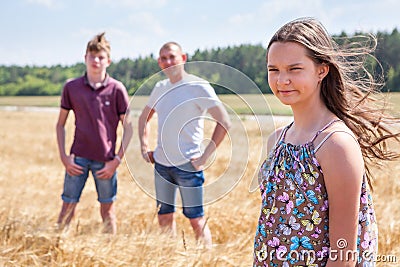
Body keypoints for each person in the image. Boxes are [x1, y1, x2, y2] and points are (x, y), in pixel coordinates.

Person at [253, 18, 400, 266]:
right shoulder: (276, 141)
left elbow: (344, 253)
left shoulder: (335, 144)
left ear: (322, 70)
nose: (282, 80)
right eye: (273, 69)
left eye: (294, 69)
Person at [138, 42, 231, 248]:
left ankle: (207, 261)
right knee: (164, 218)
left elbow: (224, 122)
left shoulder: (198, 86)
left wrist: (204, 157)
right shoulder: (159, 88)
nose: (168, 62)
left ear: (183, 58)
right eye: (163, 58)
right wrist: (144, 148)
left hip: (188, 166)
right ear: (159, 62)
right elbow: (144, 118)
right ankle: (169, 258)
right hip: (162, 166)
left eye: (172, 56)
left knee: (196, 220)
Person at [56, 32, 132, 235]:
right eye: (92, 56)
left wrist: (116, 160)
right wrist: (64, 157)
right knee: (67, 206)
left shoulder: (117, 89)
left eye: (100, 57)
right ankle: (56, 247)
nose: (96, 61)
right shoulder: (72, 87)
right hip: (77, 159)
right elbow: (60, 125)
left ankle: (111, 251)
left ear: (108, 60)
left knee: (108, 211)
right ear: (85, 58)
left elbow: (129, 128)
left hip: (105, 162)